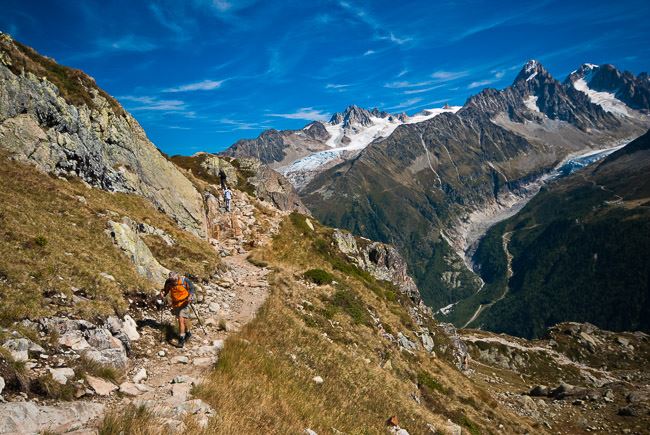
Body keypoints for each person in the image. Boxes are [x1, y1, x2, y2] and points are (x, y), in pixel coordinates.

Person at [160, 271, 195, 348]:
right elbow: (165, 291)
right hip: (175, 304)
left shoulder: (184, 280)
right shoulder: (168, 282)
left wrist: (190, 296)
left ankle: (181, 340)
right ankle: (188, 333)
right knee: (184, 321)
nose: (174, 282)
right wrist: (162, 294)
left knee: (181, 320)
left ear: (177, 277)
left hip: (185, 302)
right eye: (172, 281)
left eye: (174, 280)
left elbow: (192, 289)